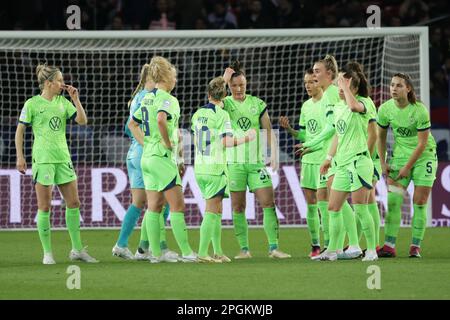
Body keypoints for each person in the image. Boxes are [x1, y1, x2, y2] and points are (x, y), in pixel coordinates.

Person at [15, 63, 98, 265]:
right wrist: (20, 156)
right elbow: (20, 131)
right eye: (59, 80)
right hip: (43, 159)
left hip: (63, 158)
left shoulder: (63, 101)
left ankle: (77, 250)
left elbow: (82, 121)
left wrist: (76, 100)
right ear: (49, 83)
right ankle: (47, 253)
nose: (62, 83)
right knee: (44, 207)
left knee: (74, 203)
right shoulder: (32, 104)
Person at [128, 56, 197, 263]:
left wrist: (147, 144)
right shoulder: (168, 99)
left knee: (154, 206)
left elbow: (133, 124)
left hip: (147, 158)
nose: (176, 80)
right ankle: (187, 253)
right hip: (161, 158)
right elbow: (160, 119)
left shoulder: (147, 97)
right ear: (167, 76)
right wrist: (166, 143)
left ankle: (155, 255)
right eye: (174, 76)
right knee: (177, 206)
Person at [222, 61, 291, 259]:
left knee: (268, 202)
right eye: (234, 85)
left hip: (256, 163)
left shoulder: (257, 103)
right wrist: (224, 79)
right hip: (234, 163)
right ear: (229, 86)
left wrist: (275, 154)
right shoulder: (224, 103)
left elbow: (268, 131)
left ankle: (274, 248)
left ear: (246, 83)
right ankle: (244, 250)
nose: (238, 89)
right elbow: (210, 97)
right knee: (238, 207)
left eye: (241, 85)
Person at [112, 63, 178, 261]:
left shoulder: (138, 96)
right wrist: (149, 145)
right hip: (146, 153)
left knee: (142, 202)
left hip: (134, 153)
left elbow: (128, 127)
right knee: (160, 202)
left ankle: (130, 246)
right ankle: (157, 247)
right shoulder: (150, 96)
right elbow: (131, 126)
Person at [298, 55, 359, 258]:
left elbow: (333, 128)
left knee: (338, 202)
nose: (314, 75)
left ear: (329, 74)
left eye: (317, 71)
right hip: (330, 155)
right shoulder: (327, 95)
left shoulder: (333, 93)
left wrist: (312, 144)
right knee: (334, 203)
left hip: (338, 155)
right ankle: (337, 246)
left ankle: (348, 245)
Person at [192, 75, 256, 263]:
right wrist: (247, 137)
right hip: (215, 167)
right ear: (225, 94)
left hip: (200, 167)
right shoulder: (222, 115)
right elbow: (226, 141)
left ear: (208, 93)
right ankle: (203, 253)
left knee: (216, 210)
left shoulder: (197, 114)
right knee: (213, 210)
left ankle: (218, 251)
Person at [319, 69, 378, 262]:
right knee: (333, 207)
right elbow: (338, 134)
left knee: (361, 208)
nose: (339, 89)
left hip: (359, 162)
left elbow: (354, 107)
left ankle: (371, 250)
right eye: (339, 85)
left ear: (353, 87)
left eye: (343, 85)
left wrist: (345, 85)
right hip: (342, 164)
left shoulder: (364, 103)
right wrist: (328, 157)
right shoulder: (338, 107)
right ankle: (332, 251)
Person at [377, 73, 437, 258]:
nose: (394, 88)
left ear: (408, 88)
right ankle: (389, 246)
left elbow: (421, 144)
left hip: (424, 156)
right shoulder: (385, 109)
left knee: (419, 201)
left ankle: (415, 247)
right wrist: (383, 162)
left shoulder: (419, 110)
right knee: (394, 201)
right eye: (392, 85)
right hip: (400, 157)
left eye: (399, 85)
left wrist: (407, 167)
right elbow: (380, 136)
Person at [279, 68, 324, 258]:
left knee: (325, 205)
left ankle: (331, 244)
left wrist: (314, 146)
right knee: (311, 204)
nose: (308, 85)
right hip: (308, 159)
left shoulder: (330, 104)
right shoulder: (306, 106)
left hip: (324, 159)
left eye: (313, 81)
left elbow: (332, 134)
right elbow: (305, 134)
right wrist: (290, 130)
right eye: (306, 82)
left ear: (320, 82)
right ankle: (315, 245)